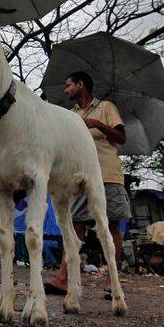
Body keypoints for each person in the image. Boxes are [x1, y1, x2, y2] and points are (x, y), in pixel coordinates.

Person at [43, 71, 129, 299]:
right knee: (75, 225)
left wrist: (97, 124)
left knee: (111, 225)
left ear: (81, 85)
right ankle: (64, 278)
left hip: (107, 174)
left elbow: (121, 138)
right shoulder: (70, 115)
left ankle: (113, 280)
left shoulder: (106, 107)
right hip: (79, 176)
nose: (65, 90)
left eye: (69, 85)